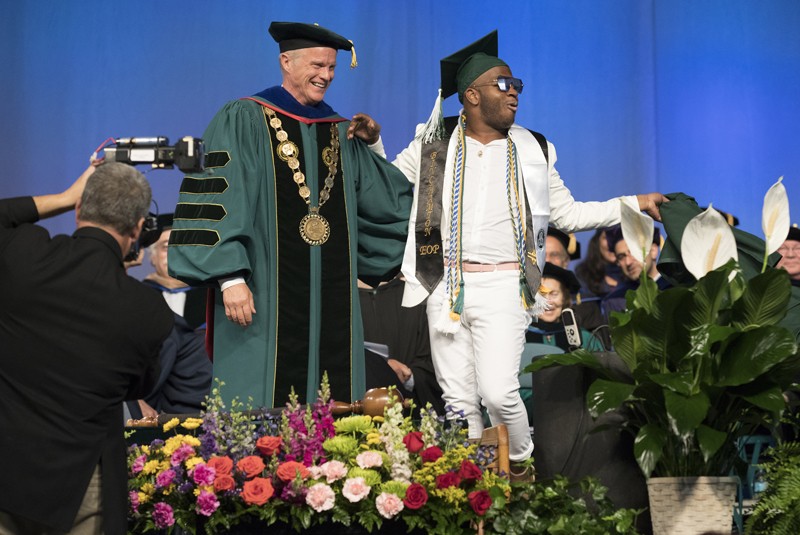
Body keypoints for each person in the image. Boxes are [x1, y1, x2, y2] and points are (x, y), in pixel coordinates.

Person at [362, 31, 666, 480]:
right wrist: (372, 143)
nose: (515, 94)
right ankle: (474, 485)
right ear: (470, 96)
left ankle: (522, 466)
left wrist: (634, 202)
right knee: (459, 400)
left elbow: (567, 212)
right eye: (504, 84)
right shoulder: (434, 142)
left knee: (500, 393)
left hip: (505, 285)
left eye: (517, 85)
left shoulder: (534, 148)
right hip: (443, 285)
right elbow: (386, 186)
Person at [168, 21, 412, 409]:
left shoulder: (341, 131)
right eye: (317, 65)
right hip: (261, 293)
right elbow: (220, 197)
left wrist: (375, 145)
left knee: (334, 409)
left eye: (332, 68)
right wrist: (230, 277)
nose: (326, 76)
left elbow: (387, 200)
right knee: (259, 403)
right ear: (286, 61)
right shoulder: (244, 119)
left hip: (331, 302)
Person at [0, 162, 174, 534]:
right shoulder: (147, 310)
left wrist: (61, 198)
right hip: (80, 487)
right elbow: (138, 387)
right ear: (139, 228)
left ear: (79, 209)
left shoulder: (22, 257)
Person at [359, 276, 446, 416]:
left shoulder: (419, 294)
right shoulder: (343, 298)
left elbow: (438, 363)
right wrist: (382, 368)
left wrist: (408, 376)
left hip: (413, 410)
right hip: (359, 409)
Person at [526, 263, 606, 352]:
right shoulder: (519, 338)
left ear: (564, 298)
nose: (548, 302)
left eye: (554, 294)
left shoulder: (584, 338)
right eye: (541, 295)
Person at [601, 224, 670, 316]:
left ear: (653, 250)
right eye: (621, 257)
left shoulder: (677, 286)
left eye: (633, 251)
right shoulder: (616, 302)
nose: (628, 262)